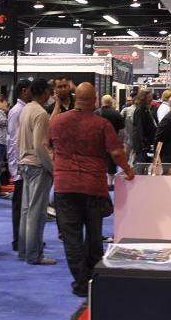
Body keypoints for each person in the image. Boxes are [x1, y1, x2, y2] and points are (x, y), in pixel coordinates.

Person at [49, 83, 134, 296]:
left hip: (65, 185)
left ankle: (80, 282)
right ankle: (93, 280)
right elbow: (116, 153)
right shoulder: (102, 124)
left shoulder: (57, 121)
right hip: (93, 186)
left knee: (71, 237)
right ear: (94, 100)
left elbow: (47, 144)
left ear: (75, 98)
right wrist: (128, 170)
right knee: (94, 236)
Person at [17, 78, 56, 265]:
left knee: (26, 211)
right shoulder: (40, 113)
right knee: (36, 213)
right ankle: (34, 255)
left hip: (25, 163)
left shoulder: (26, 109)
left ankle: (24, 251)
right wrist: (52, 169)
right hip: (37, 166)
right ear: (45, 92)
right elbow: (40, 146)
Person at [6, 79, 31, 252]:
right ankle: (18, 240)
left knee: (26, 206)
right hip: (20, 167)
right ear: (24, 91)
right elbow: (13, 141)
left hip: (24, 165)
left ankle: (26, 238)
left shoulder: (24, 109)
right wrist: (15, 169)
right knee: (20, 206)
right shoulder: (17, 111)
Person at [129, 88, 157, 165]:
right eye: (149, 97)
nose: (151, 99)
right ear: (143, 98)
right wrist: (143, 146)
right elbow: (139, 129)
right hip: (142, 148)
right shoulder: (140, 110)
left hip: (146, 146)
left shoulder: (146, 109)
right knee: (141, 167)